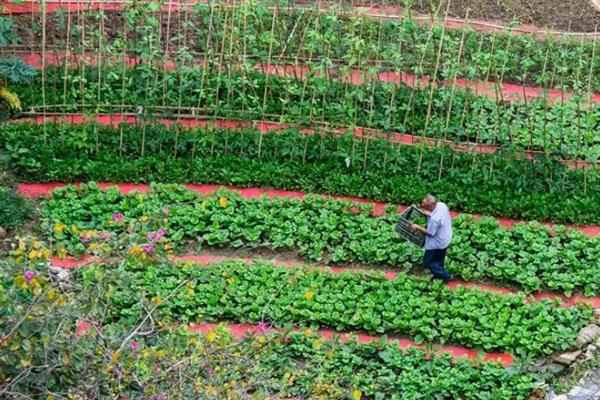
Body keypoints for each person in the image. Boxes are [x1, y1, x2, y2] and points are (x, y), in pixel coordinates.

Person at [410, 194, 453, 283]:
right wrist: (429, 213)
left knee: (428, 262)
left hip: (437, 241)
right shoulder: (441, 205)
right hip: (446, 236)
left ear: (431, 205)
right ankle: (438, 276)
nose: (422, 206)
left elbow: (430, 233)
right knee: (439, 259)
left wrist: (417, 227)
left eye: (424, 205)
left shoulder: (435, 219)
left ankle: (446, 276)